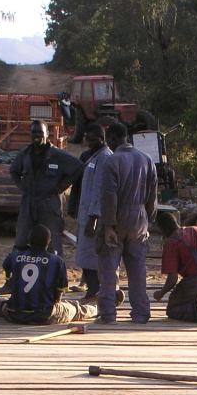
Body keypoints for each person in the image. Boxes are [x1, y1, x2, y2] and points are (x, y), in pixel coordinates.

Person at [97, 123, 158, 324]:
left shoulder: (112, 161)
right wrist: (147, 219)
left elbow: (109, 196)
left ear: (113, 139)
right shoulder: (147, 160)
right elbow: (152, 196)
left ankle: (108, 313)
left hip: (117, 218)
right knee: (138, 270)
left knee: (108, 268)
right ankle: (141, 313)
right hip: (139, 218)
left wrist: (107, 226)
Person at [10, 120, 82, 257]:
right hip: (29, 204)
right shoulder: (25, 154)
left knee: (53, 245)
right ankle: (17, 274)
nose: (36, 135)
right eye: (33, 132)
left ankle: (56, 276)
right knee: (21, 242)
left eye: (40, 132)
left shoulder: (58, 155)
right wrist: (23, 187)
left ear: (47, 134)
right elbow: (14, 171)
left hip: (49, 205)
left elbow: (78, 167)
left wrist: (61, 186)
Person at [0, 225, 97, 325]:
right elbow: (59, 294)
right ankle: (97, 309)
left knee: (0, 303)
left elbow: (7, 271)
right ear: (49, 241)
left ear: (28, 241)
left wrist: (9, 282)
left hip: (14, 314)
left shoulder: (14, 256)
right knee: (74, 309)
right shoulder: (56, 261)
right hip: (44, 315)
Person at [71, 123, 112, 299]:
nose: (87, 140)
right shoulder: (92, 157)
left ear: (100, 139)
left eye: (90, 137)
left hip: (94, 217)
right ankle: (93, 290)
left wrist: (94, 217)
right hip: (85, 214)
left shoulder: (104, 158)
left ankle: (95, 291)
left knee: (90, 256)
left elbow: (99, 189)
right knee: (85, 255)